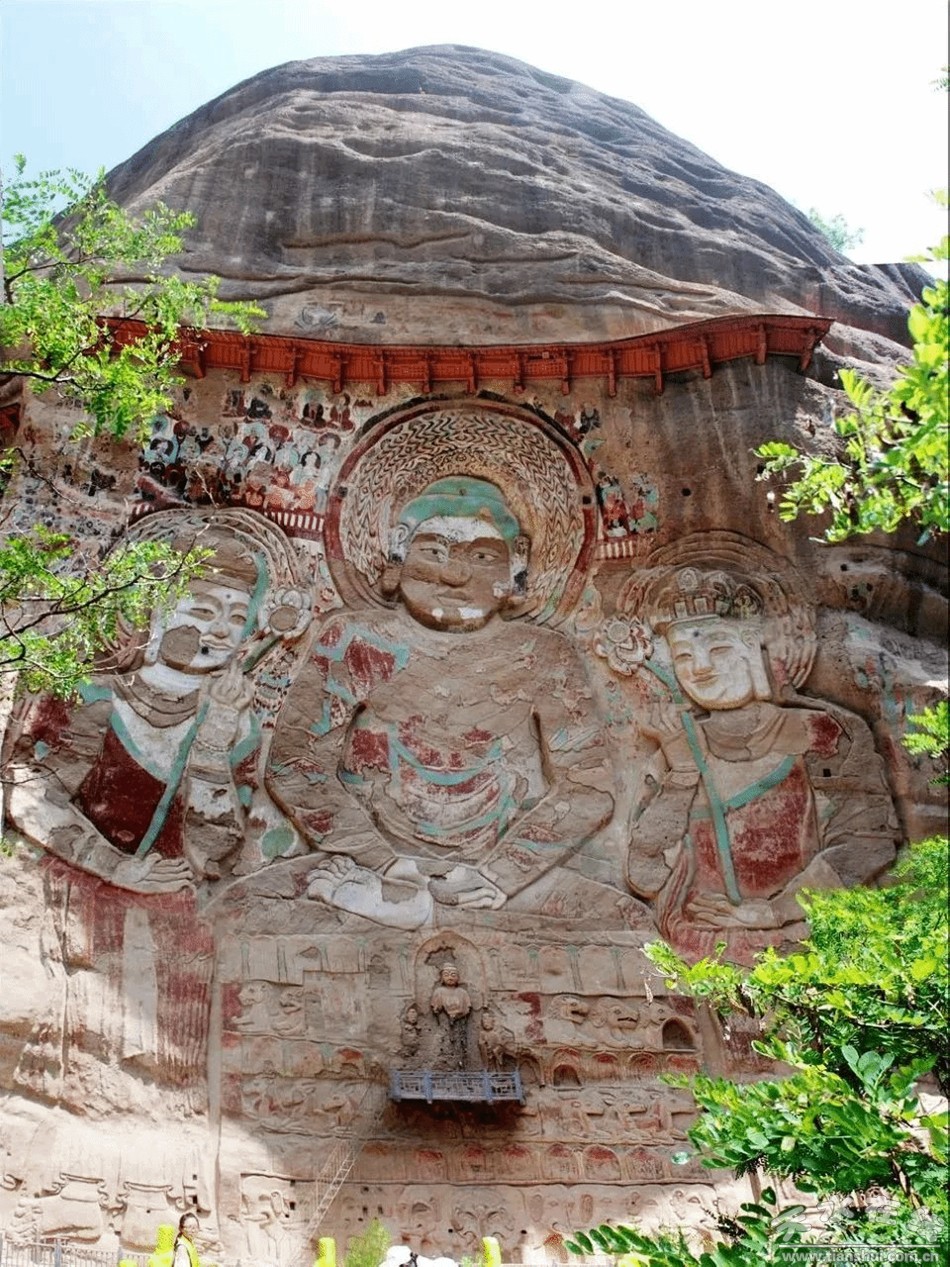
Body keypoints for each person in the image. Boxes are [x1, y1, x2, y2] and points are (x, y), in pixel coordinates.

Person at [266, 476, 614, 928]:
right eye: (434, 550)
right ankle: (410, 908)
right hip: (367, 863)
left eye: (483, 556)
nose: (454, 574)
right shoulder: (356, 638)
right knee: (247, 910)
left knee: (629, 924)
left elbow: (588, 788)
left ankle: (418, 912)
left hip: (495, 876)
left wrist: (498, 876)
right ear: (399, 551)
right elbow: (295, 765)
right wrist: (386, 864)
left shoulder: (542, 654)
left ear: (517, 564)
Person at [5, 507, 311, 892]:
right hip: (72, 893)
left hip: (178, 906)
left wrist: (213, 743)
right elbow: (29, 796)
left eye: (236, 617)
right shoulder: (94, 694)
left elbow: (213, 852)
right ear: (154, 611)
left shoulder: (237, 722)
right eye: (203, 610)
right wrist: (115, 867)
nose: (220, 631)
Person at [622, 563, 899, 961]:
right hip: (698, 946)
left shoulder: (823, 732)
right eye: (683, 656)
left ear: (756, 648)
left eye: (719, 649)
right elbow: (644, 876)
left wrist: (775, 911)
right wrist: (682, 772)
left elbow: (866, 845)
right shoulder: (676, 747)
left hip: (807, 941)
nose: (700, 668)